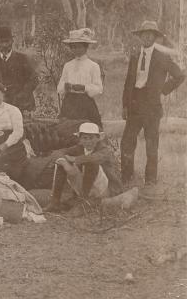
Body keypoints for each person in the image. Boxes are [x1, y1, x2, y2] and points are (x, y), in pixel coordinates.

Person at [120, 21, 185, 186]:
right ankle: (127, 178)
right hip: (134, 104)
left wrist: (163, 89)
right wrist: (125, 105)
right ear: (140, 36)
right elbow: (128, 82)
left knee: (151, 143)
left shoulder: (162, 57)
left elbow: (179, 75)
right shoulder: (135, 56)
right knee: (127, 142)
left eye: (150, 34)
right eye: (144, 34)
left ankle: (150, 180)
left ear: (155, 37)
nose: (147, 36)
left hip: (152, 106)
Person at [46, 122, 124, 212]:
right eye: (85, 138)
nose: (88, 142)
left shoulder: (104, 149)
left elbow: (94, 158)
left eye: (91, 138)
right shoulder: (79, 148)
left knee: (90, 162)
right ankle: (55, 202)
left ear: (98, 138)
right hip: (89, 187)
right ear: (80, 139)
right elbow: (58, 153)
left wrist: (75, 159)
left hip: (107, 189)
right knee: (61, 163)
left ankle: (84, 201)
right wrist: (64, 163)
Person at [58, 28, 103, 127]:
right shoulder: (68, 65)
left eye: (79, 47)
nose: (75, 50)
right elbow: (60, 86)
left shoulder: (93, 66)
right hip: (69, 103)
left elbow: (98, 88)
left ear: (85, 47)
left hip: (85, 103)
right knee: (66, 129)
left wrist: (84, 88)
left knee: (87, 129)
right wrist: (65, 87)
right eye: (73, 47)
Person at [0, 26, 37, 117]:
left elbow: (33, 80)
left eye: (7, 41)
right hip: (1, 105)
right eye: (1, 42)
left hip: (22, 105)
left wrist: (22, 95)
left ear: (12, 41)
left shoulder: (22, 59)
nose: (5, 45)